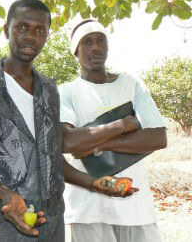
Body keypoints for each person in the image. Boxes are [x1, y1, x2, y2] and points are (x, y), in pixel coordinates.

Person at [0, 0, 136, 242]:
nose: (30, 36)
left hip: (51, 220)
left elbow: (50, 158)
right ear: (7, 30)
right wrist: (6, 195)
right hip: (1, 223)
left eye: (39, 30)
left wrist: (93, 183)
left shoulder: (48, 90)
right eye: (22, 27)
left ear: (46, 36)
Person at [59, 19, 167, 242]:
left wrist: (100, 143)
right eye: (86, 42)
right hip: (89, 209)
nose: (95, 47)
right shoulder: (67, 92)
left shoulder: (131, 84)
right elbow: (68, 142)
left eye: (100, 40)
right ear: (76, 52)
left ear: (108, 46)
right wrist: (124, 125)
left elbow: (158, 137)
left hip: (137, 207)